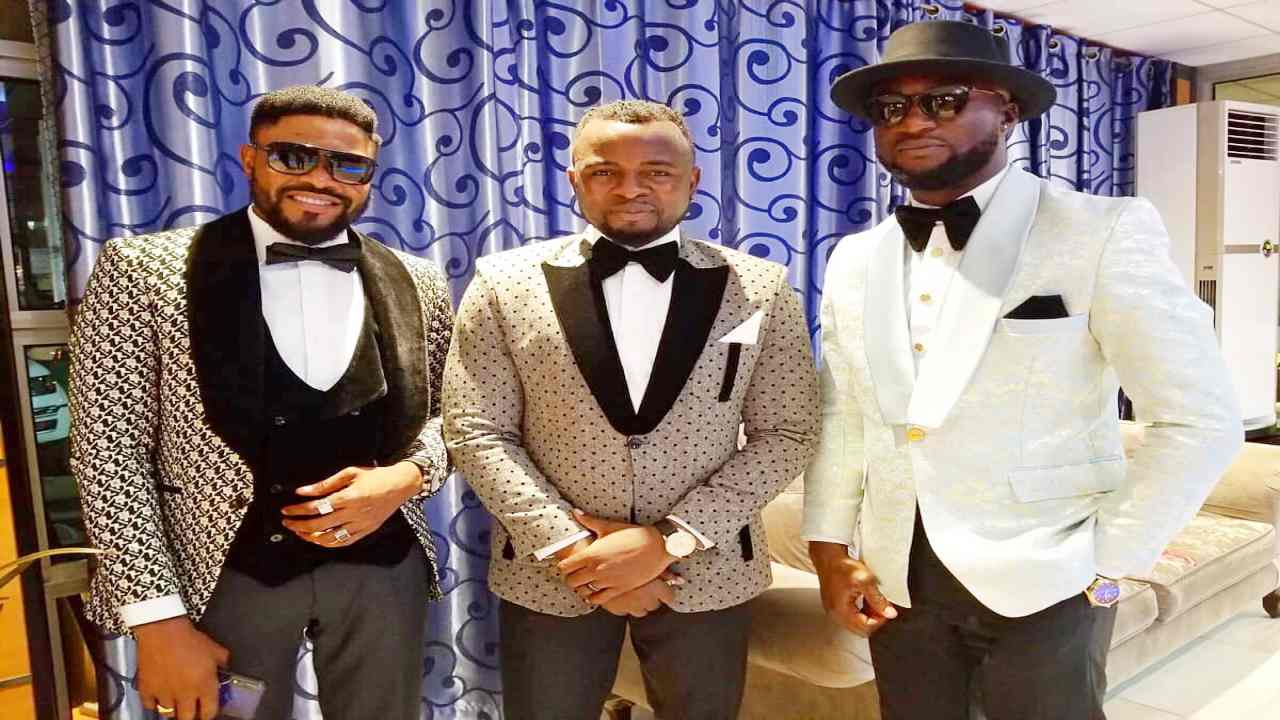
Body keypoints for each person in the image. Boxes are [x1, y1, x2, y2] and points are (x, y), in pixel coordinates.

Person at [803, 20, 1243, 720]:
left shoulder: (1101, 230)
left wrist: (1107, 561)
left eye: (944, 99)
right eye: (890, 107)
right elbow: (843, 413)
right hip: (897, 575)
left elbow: (1199, 418)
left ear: (1007, 112)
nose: (913, 120)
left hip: (1051, 575)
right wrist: (829, 548)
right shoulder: (855, 257)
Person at [70, 85, 453, 720]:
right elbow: (107, 451)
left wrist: (408, 476)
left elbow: (448, 416)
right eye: (294, 156)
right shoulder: (142, 269)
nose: (321, 179)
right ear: (250, 158)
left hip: (384, 568)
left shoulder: (420, 278)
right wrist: (157, 622)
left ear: (369, 176)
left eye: (347, 165)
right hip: (224, 577)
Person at [443, 99, 819, 720]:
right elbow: (477, 430)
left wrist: (669, 542)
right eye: (605, 171)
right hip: (552, 571)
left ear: (692, 180)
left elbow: (787, 431)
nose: (630, 188)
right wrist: (575, 551)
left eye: (656, 172)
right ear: (574, 179)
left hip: (710, 568)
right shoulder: (502, 284)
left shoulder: (761, 287)